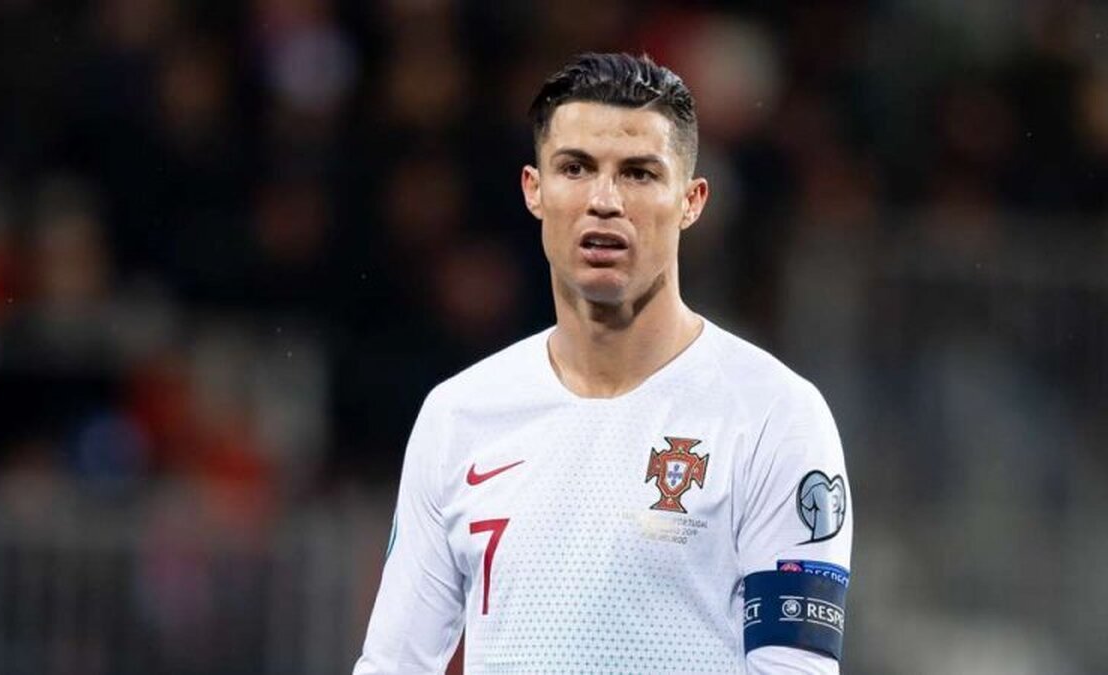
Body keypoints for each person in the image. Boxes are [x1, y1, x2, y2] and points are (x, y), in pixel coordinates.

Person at [355, 52, 852, 674]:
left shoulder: (774, 415)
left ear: (691, 200)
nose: (605, 200)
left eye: (639, 173)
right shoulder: (458, 415)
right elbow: (395, 662)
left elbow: (795, 669)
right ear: (534, 190)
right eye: (576, 168)